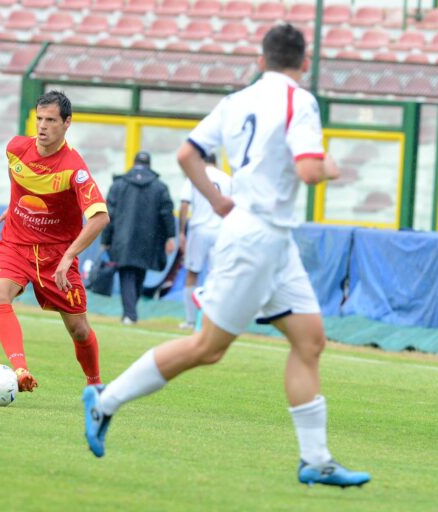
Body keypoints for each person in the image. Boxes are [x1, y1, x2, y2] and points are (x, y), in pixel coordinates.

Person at [82, 24, 371, 487]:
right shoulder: (301, 100)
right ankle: (104, 401)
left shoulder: (235, 102)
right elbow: (310, 168)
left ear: (261, 60)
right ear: (304, 61)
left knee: (310, 340)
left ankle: (316, 460)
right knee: (208, 348)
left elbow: (186, 154)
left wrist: (216, 201)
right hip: (257, 239)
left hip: (271, 240)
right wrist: (331, 166)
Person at [0, 90, 109, 392]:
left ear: (67, 123)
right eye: (39, 119)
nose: (42, 126)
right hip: (15, 244)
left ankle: (94, 384)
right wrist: (14, 204)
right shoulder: (16, 148)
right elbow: (17, 177)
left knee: (79, 330)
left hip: (56, 256)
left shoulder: (74, 169)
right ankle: (20, 369)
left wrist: (69, 256)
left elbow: (99, 217)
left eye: (51, 120)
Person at [101, 151, 176, 325]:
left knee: (126, 274)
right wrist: (170, 237)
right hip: (149, 240)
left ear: (133, 163)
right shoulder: (160, 187)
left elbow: (108, 215)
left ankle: (129, 315)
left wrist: (105, 240)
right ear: (150, 165)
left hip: (122, 238)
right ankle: (130, 314)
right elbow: (167, 214)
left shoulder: (118, 185)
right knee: (139, 274)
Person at [178, 153, 231, 329]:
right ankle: (212, 320)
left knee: (192, 273)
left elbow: (184, 204)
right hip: (220, 230)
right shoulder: (226, 178)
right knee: (216, 275)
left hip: (199, 230)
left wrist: (182, 232)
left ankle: (191, 320)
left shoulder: (196, 176)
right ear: (216, 161)